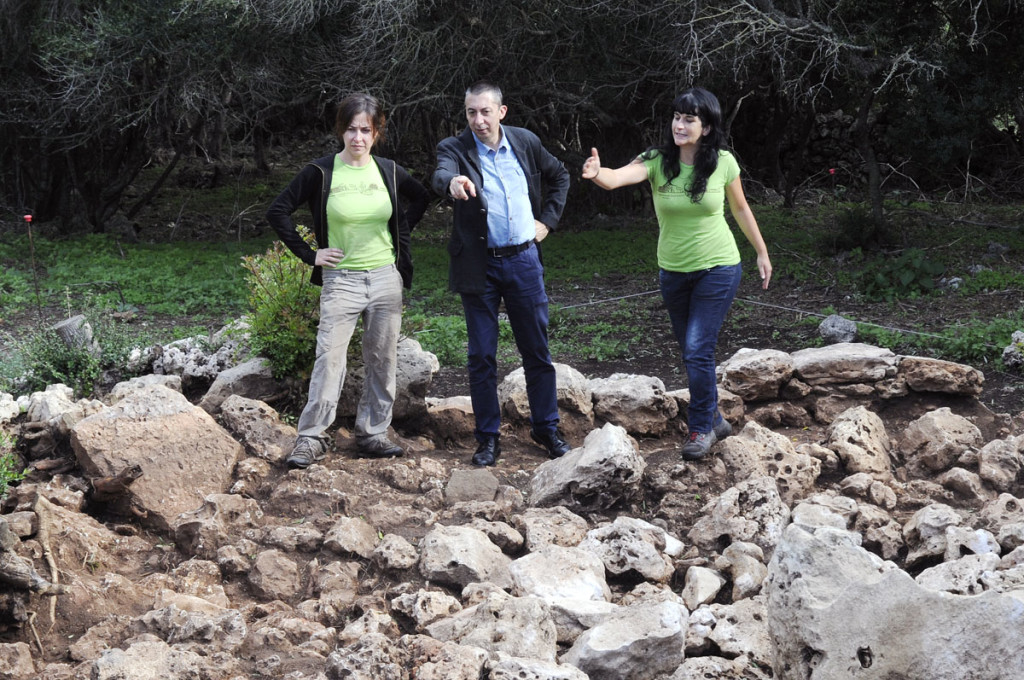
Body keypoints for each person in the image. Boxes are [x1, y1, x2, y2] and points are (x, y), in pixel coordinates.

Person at [582, 87, 772, 460]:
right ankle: (715, 418)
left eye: (689, 119)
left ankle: (700, 428)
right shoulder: (657, 160)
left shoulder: (723, 163)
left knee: (698, 348)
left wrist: (761, 252)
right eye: (676, 117)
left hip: (718, 267)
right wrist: (596, 173)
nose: (679, 125)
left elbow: (741, 209)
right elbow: (618, 177)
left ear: (707, 126)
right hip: (673, 272)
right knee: (691, 352)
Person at [266, 93, 431, 468]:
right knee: (329, 358)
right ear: (341, 130)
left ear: (377, 133)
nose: (358, 138)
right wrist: (311, 255)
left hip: (386, 280)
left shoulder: (387, 170)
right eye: (352, 129)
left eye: (366, 131)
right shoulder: (321, 172)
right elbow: (278, 211)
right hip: (341, 281)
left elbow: (420, 199)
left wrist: (398, 236)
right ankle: (310, 438)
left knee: (382, 359)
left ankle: (372, 433)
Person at [432, 81, 572, 466]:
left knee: (537, 351)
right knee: (481, 356)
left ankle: (546, 428)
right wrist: (454, 183)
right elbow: (441, 173)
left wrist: (548, 222)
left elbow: (560, 175)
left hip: (525, 260)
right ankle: (488, 438)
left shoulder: (524, 142)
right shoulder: (454, 148)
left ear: (501, 112)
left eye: (485, 111)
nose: (478, 120)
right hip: (480, 265)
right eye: (471, 113)